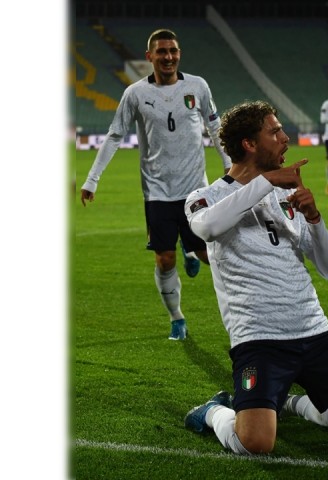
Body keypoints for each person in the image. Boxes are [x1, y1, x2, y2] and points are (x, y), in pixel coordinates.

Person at [182, 100, 328, 454]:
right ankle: (215, 411)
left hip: (315, 333)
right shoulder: (205, 197)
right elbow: (208, 227)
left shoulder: (286, 196)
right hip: (260, 339)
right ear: (249, 143)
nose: (285, 138)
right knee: (255, 444)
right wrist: (265, 182)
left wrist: (314, 218)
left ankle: (290, 403)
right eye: (275, 131)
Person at [80, 29, 232, 341]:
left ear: (179, 54)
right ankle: (177, 318)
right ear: (149, 57)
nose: (168, 57)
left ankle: (195, 257)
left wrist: (230, 165)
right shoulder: (135, 94)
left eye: (173, 51)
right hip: (158, 192)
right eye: (161, 52)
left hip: (195, 190)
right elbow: (114, 135)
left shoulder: (198, 86)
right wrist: (92, 179)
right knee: (165, 259)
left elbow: (216, 126)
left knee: (210, 256)